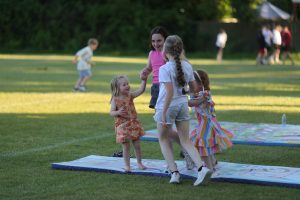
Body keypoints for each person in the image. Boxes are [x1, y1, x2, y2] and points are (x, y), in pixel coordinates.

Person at [153, 35, 212, 185]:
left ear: (165, 50)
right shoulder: (187, 65)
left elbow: (169, 93)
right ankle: (201, 168)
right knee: (185, 140)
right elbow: (193, 89)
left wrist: (164, 112)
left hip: (167, 107)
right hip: (182, 106)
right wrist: (193, 97)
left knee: (163, 138)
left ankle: (174, 173)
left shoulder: (164, 69)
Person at [188, 70, 233, 171]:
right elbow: (191, 101)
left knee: (202, 146)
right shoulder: (196, 93)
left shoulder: (205, 93)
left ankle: (210, 168)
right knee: (206, 145)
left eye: (191, 82)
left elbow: (195, 104)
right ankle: (213, 162)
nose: (189, 84)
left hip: (207, 123)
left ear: (200, 83)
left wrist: (200, 99)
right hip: (203, 123)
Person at [110, 75, 147, 172]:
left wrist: (144, 80)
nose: (127, 86)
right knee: (126, 147)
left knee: (137, 145)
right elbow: (111, 112)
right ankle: (127, 166)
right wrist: (117, 113)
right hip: (122, 126)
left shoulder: (130, 95)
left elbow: (141, 90)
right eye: (124, 85)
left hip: (133, 124)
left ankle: (139, 163)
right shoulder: (115, 99)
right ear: (117, 88)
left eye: (127, 84)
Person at [141, 26, 168, 109]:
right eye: (153, 41)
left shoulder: (168, 53)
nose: (156, 44)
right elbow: (149, 68)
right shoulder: (151, 53)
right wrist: (144, 72)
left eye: (159, 41)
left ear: (165, 40)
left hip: (166, 85)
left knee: (167, 110)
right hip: (155, 86)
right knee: (158, 110)